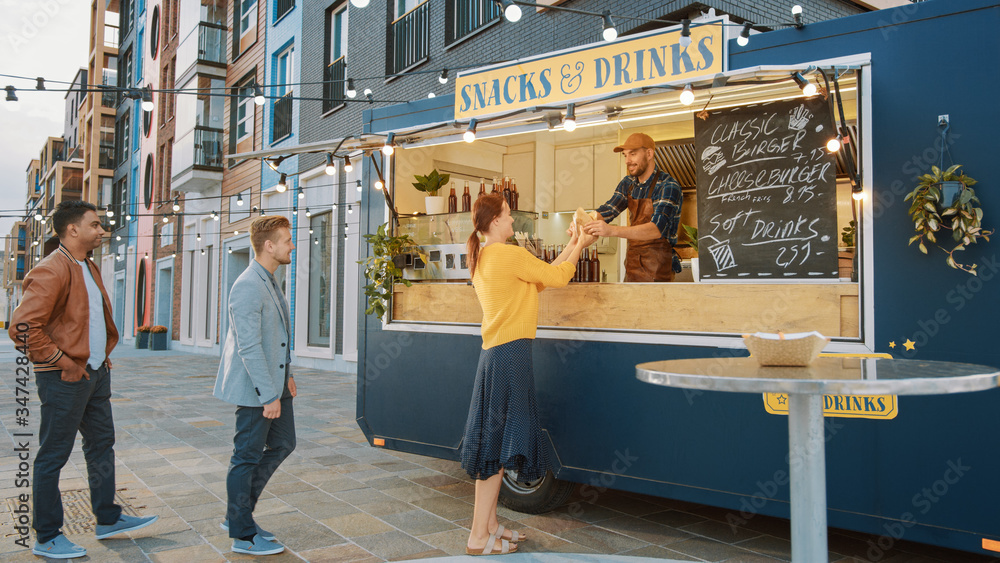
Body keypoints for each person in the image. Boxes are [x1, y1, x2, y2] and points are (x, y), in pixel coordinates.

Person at [9, 200, 158, 560]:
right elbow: (23, 328)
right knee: (53, 455)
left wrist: (99, 359)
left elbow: (86, 319)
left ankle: (107, 518)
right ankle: (47, 536)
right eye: (94, 224)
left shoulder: (88, 266)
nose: (101, 230)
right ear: (72, 229)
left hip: (95, 373)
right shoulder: (52, 269)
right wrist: (65, 362)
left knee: (101, 444)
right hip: (65, 377)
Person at [460, 193, 596, 556]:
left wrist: (573, 243)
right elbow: (558, 277)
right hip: (510, 356)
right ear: (493, 222)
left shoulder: (485, 256)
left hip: (496, 355)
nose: (512, 220)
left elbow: (544, 278)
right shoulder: (509, 254)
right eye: (507, 215)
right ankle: (477, 536)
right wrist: (580, 245)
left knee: (495, 445)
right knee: (494, 448)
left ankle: (488, 526)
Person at [214, 215, 297, 556]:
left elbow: (275, 337)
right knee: (246, 457)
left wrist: (287, 374)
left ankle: (238, 514)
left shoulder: (270, 279)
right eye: (287, 240)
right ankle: (243, 535)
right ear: (269, 245)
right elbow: (248, 346)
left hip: (276, 382)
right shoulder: (248, 284)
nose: (292, 245)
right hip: (256, 388)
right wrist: (268, 394)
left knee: (284, 443)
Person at [584, 132, 683, 282]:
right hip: (632, 266)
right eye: (625, 155)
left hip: (659, 269)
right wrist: (582, 222)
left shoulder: (668, 186)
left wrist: (612, 230)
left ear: (649, 154)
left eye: (633, 154)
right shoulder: (628, 183)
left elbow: (655, 229)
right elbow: (609, 209)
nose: (627, 161)